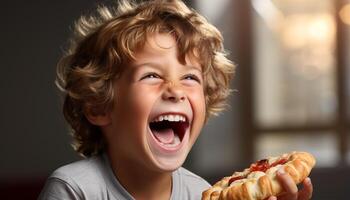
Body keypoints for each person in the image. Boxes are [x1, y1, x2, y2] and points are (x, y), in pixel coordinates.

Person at [39, 0, 313, 199]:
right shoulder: (73, 189)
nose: (175, 90)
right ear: (99, 106)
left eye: (190, 78)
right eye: (151, 76)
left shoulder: (201, 193)